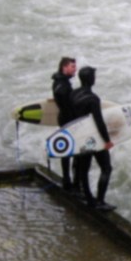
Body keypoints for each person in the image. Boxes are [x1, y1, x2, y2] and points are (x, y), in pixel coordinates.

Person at [70, 66, 115, 211]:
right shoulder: (93, 99)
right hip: (94, 138)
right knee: (106, 168)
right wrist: (107, 140)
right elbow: (99, 121)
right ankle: (100, 201)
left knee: (83, 168)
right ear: (91, 79)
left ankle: (88, 197)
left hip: (79, 136)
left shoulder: (73, 94)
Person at [51, 56, 78, 191]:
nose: (75, 69)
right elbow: (66, 100)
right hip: (68, 119)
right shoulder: (62, 84)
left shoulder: (60, 81)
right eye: (73, 66)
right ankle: (68, 181)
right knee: (70, 152)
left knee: (68, 151)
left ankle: (68, 179)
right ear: (64, 67)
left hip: (64, 118)